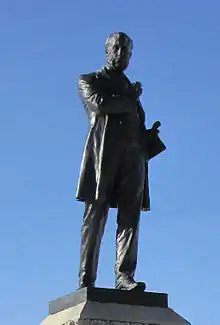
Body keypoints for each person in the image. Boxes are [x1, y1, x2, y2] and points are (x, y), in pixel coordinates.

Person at [76, 32, 165, 291]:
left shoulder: (130, 89)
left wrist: (149, 137)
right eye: (116, 48)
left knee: (130, 219)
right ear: (106, 50)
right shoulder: (90, 80)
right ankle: (86, 278)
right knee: (95, 217)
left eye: (125, 51)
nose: (119, 54)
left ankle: (124, 277)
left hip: (134, 159)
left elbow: (131, 120)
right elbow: (101, 105)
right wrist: (131, 98)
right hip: (103, 159)